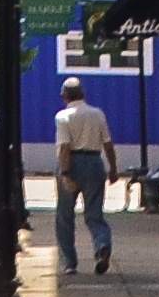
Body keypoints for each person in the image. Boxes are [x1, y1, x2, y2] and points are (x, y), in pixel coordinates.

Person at [50, 81, 118, 274]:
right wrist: (113, 168)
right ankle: (101, 244)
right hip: (94, 163)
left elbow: (64, 147)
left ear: (64, 96)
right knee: (94, 214)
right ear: (83, 94)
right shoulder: (97, 114)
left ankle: (70, 263)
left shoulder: (63, 117)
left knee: (64, 216)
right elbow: (108, 143)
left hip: (71, 162)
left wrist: (65, 173)